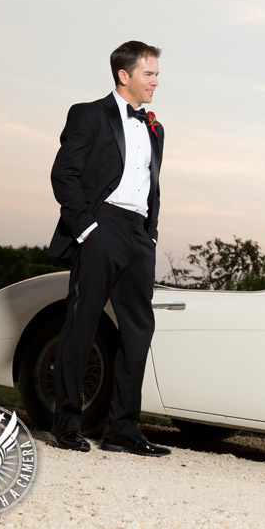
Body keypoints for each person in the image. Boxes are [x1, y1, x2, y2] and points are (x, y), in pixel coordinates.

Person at [47, 40, 170, 457]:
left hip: (138, 235)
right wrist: (86, 229)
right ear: (125, 75)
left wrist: (150, 233)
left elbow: (153, 186)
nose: (156, 80)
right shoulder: (87, 115)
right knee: (81, 325)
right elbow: (64, 174)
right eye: (149, 73)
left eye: (156, 73)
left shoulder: (156, 128)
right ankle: (66, 424)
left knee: (138, 331)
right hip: (101, 228)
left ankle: (122, 428)